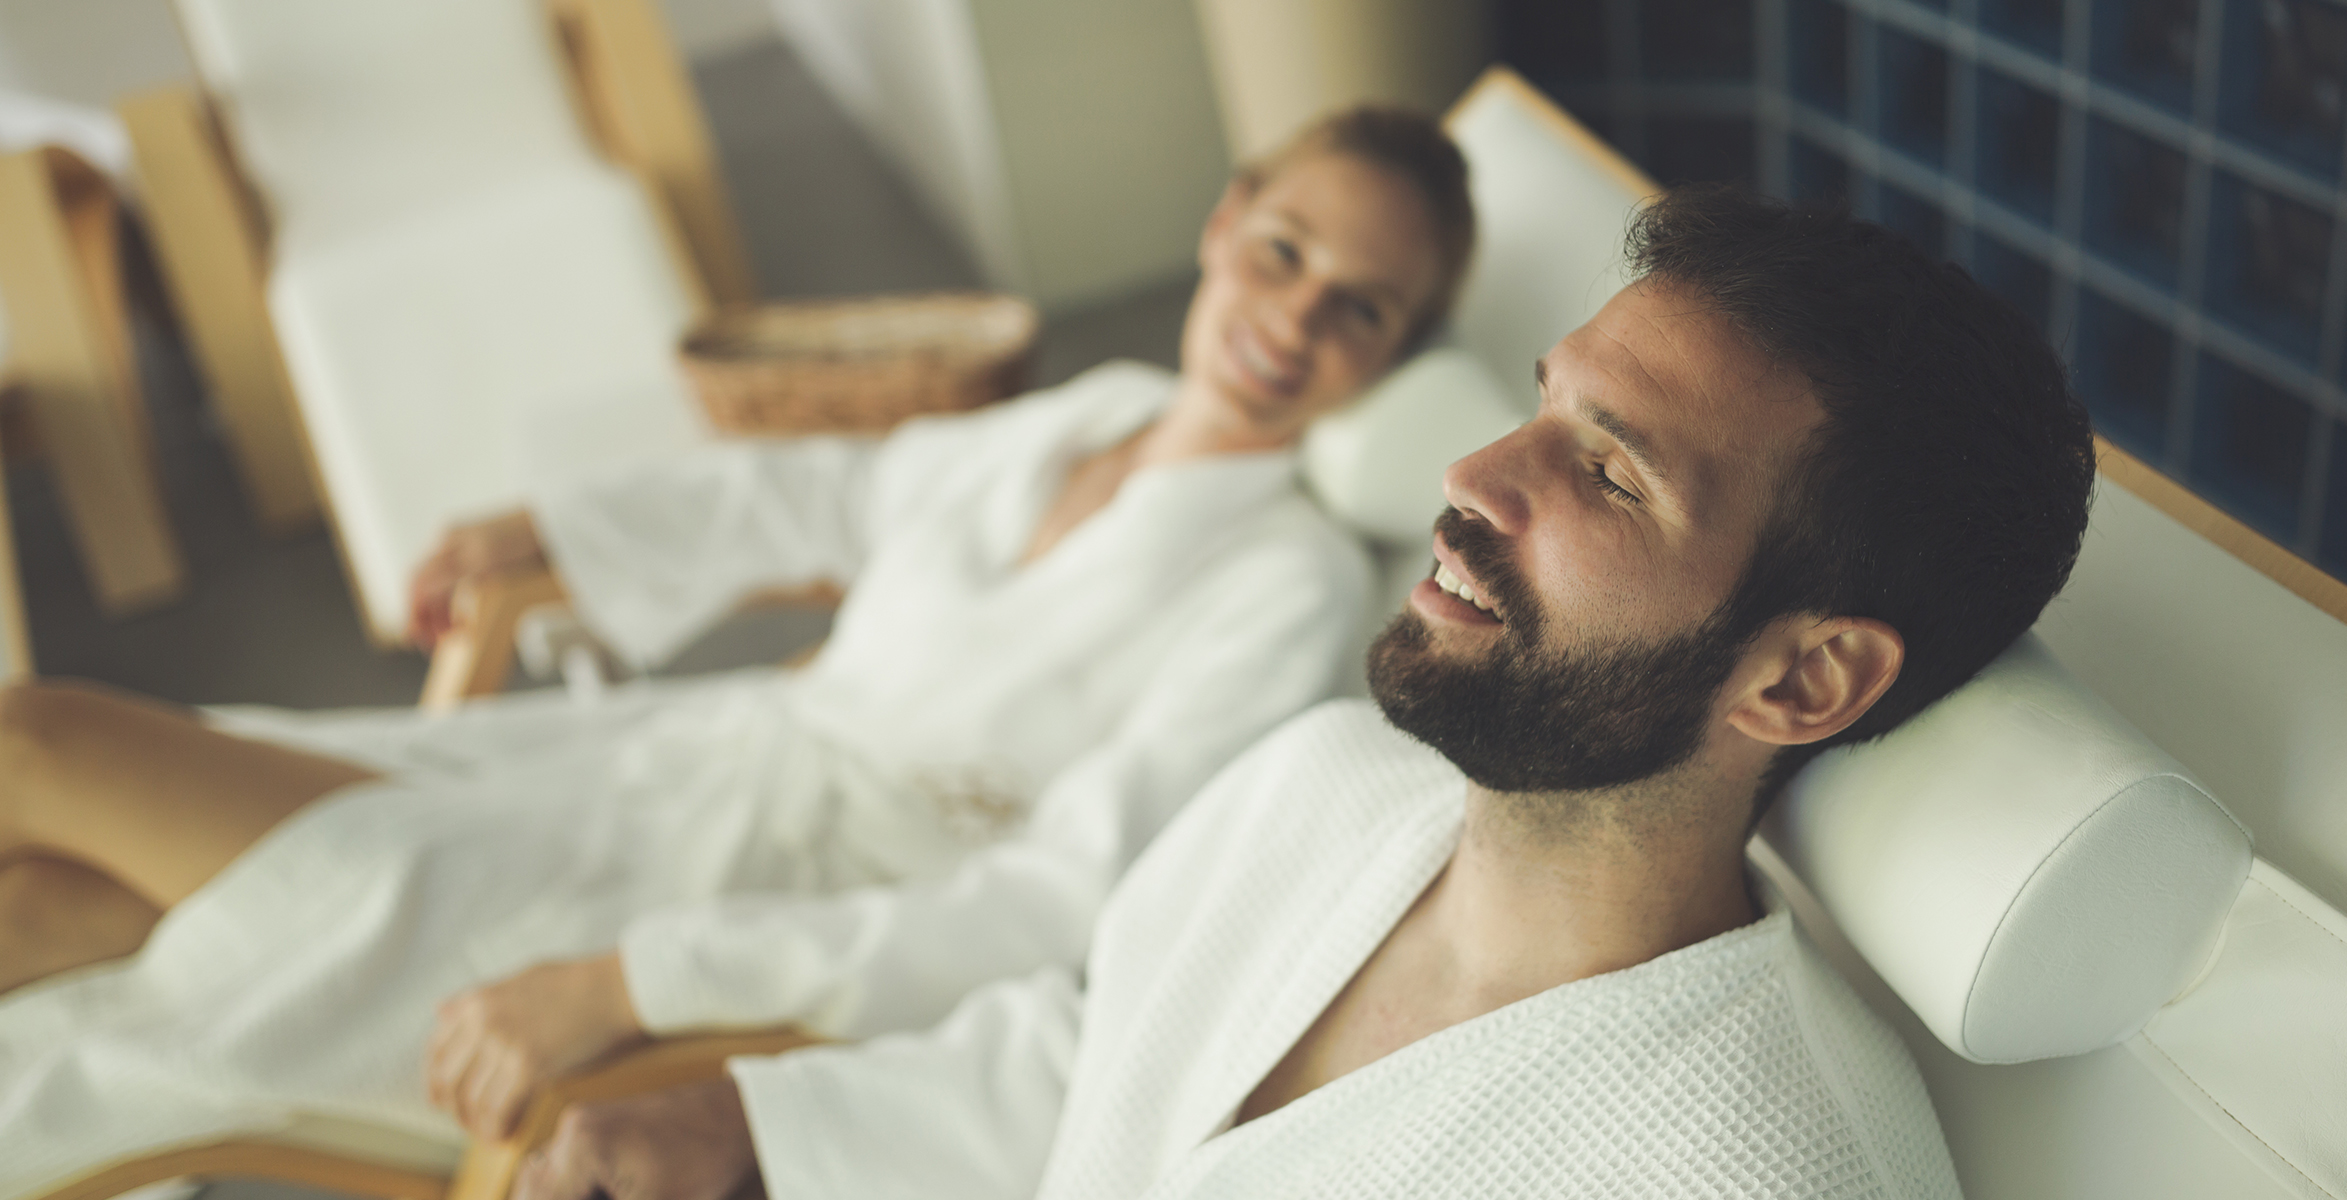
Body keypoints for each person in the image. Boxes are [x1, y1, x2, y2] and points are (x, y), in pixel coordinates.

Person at [508, 185, 2093, 1200]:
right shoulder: (1319, 784)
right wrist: (750, 1123)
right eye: (1548, 407)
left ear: (1805, 676)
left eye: (1607, 476)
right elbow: (1096, 1053)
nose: (1473, 477)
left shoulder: (1750, 1171)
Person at [0, 107, 1476, 1191]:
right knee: (45, 911)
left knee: (41, 748)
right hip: (649, 770)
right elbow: (840, 488)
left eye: (1359, 310)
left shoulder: (1279, 584)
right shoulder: (1095, 410)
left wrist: (631, 983)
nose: (1292, 319)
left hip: (732, 901)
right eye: (1283, 252)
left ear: (1397, 356)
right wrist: (555, 531)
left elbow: (1067, 902)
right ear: (1225, 226)